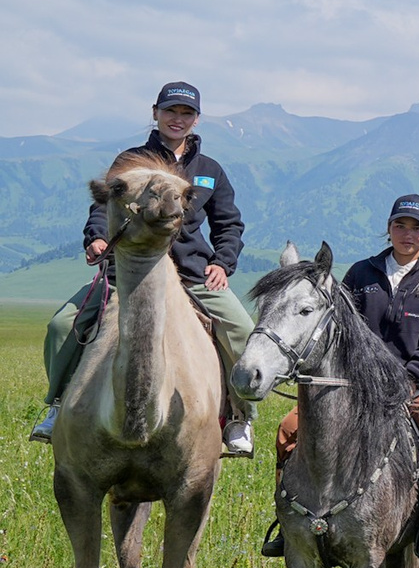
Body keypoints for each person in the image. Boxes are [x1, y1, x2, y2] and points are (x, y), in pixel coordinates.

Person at [35, 81, 258, 456]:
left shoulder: (210, 171)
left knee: (243, 332)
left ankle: (238, 415)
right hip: (129, 270)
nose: (178, 119)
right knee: (61, 326)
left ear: (197, 120)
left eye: (186, 114)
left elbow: (229, 224)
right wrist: (96, 236)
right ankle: (58, 406)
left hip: (191, 273)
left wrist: (222, 263)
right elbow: (101, 206)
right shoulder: (129, 162)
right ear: (155, 112)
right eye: (171, 111)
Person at [265, 193, 419, 559]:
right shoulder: (361, 273)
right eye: (400, 225)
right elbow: (341, 327)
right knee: (288, 429)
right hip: (354, 382)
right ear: (388, 229)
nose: (407, 233)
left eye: (416, 227)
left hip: (413, 383)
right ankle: (286, 518)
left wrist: (412, 379)